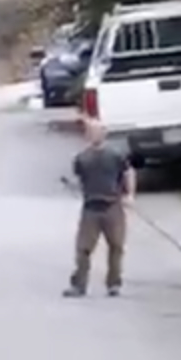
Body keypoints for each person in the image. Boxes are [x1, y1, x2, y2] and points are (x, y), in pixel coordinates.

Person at [64, 118, 135, 297]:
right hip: (91, 208)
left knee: (116, 246)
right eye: (91, 131)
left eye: (98, 131)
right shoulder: (81, 158)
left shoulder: (116, 154)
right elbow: (79, 180)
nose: (94, 135)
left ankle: (114, 283)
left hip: (113, 205)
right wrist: (71, 186)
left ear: (104, 133)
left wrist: (130, 195)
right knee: (83, 248)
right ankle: (79, 285)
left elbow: (128, 172)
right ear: (87, 135)